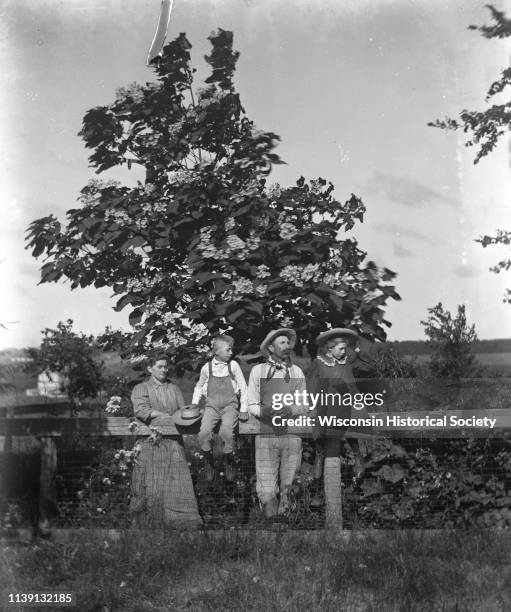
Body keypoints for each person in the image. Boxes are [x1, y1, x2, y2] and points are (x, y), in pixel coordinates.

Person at [130, 354, 203, 528]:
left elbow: (181, 412)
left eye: (166, 367)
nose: (164, 370)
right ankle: (149, 524)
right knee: (150, 483)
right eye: (160, 366)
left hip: (173, 442)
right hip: (150, 442)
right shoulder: (141, 388)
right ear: (150, 368)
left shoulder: (174, 389)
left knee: (176, 482)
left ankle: (181, 523)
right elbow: (141, 410)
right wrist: (165, 416)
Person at [247, 328, 308, 519]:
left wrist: (291, 410)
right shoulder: (259, 371)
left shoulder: (296, 371)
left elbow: (303, 403)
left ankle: (287, 526)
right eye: (282, 343)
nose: (287, 346)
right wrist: (264, 411)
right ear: (271, 348)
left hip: (291, 435)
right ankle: (270, 524)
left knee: (289, 483)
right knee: (266, 485)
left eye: (288, 343)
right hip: (266, 434)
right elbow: (251, 403)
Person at [307, 328, 365, 527]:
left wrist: (357, 398)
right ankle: (319, 458)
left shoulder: (345, 363)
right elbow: (312, 386)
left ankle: (357, 455)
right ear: (329, 349)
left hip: (342, 403)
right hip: (325, 403)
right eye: (341, 348)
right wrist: (312, 405)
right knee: (322, 428)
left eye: (345, 348)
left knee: (352, 420)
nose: (343, 351)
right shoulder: (319, 364)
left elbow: (351, 383)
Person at [191, 334, 248, 482]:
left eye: (231, 350)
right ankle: (208, 460)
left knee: (226, 432)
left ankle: (229, 459)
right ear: (216, 352)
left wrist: (243, 409)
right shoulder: (207, 368)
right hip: (212, 406)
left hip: (230, 406)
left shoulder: (233, 365)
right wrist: (195, 403)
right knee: (203, 433)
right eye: (228, 350)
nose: (231, 353)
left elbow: (243, 387)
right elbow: (198, 386)